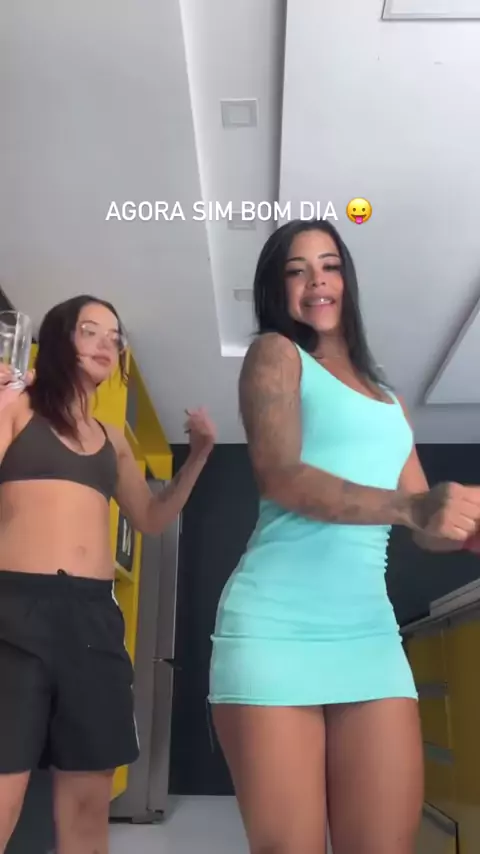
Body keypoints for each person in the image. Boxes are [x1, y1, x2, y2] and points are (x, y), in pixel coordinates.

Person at [208, 219, 480, 854]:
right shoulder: (277, 355)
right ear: (277, 289)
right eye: (296, 270)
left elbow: (423, 527)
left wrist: (463, 527)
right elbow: (282, 476)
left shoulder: (390, 402)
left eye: (329, 265)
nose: (316, 281)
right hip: (274, 627)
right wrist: (415, 508)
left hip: (368, 634)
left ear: (346, 280)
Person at [0, 295, 216, 854]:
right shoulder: (17, 407)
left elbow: (151, 518)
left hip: (94, 620)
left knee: (87, 805)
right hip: (13, 614)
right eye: (89, 331)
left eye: (114, 337)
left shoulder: (112, 438)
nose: (106, 344)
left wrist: (196, 456)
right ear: (58, 340)